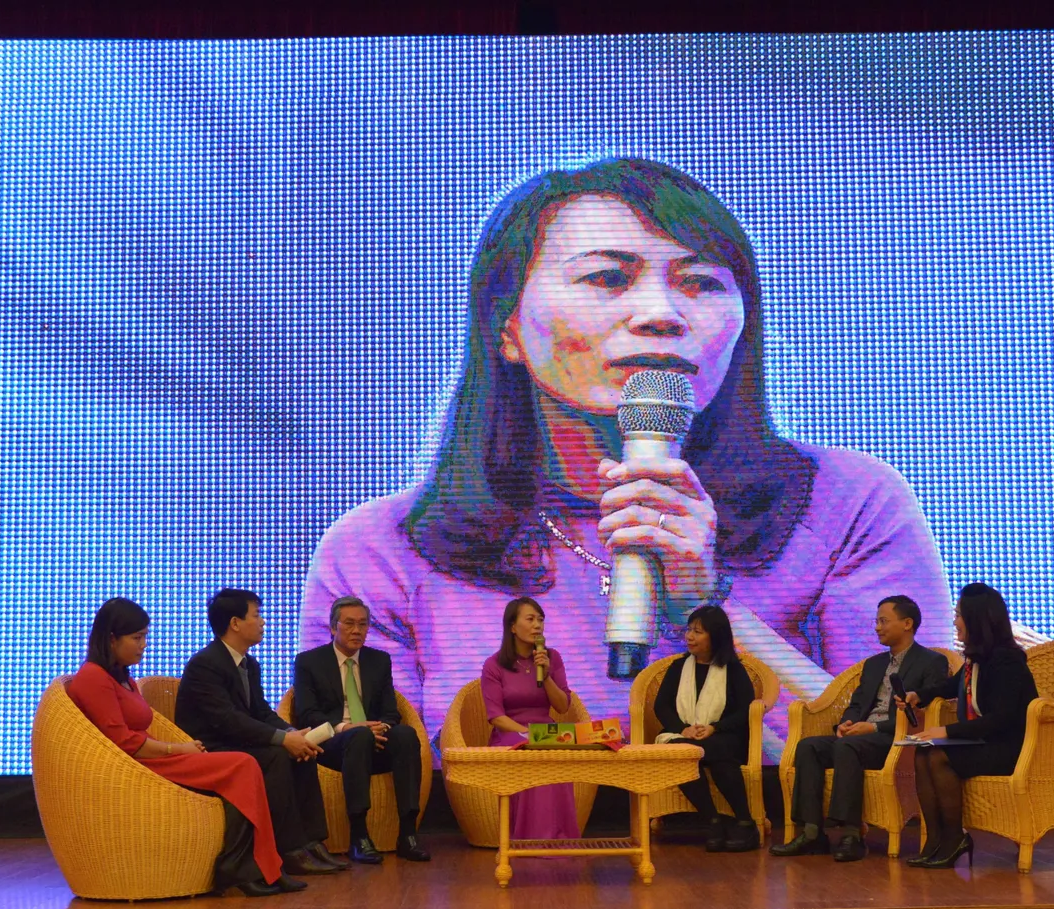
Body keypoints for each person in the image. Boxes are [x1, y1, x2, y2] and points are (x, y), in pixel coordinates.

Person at [301, 158, 955, 758]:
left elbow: (900, 747)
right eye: (607, 277)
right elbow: (381, 767)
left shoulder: (850, 503)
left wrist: (705, 606)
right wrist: (594, 742)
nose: (661, 313)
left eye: (700, 282)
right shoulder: (377, 550)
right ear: (507, 328)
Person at [65, 597, 305, 897]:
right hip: (137, 765)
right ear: (111, 639)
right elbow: (125, 743)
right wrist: (177, 750)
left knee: (245, 767)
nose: (143, 645)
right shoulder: (93, 677)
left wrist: (178, 746)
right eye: (136, 638)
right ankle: (247, 867)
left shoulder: (123, 676)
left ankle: (261, 866)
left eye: (145, 637)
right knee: (243, 764)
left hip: (150, 756)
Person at [174, 588, 346, 876]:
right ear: (235, 623)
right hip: (211, 747)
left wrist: (292, 733)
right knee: (276, 756)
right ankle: (288, 849)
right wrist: (282, 740)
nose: (263, 621)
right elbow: (227, 721)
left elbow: (262, 711)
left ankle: (312, 841)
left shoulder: (249, 663)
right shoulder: (206, 663)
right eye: (256, 615)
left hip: (239, 741)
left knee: (302, 752)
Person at [770, 595, 950, 862]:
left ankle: (851, 835)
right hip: (860, 737)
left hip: (897, 739)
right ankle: (811, 832)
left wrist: (873, 728)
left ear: (907, 623)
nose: (877, 627)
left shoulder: (932, 662)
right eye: (876, 621)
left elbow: (923, 713)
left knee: (848, 746)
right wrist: (847, 722)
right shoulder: (874, 663)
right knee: (809, 746)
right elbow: (857, 703)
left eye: (883, 621)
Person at [900, 582, 1038, 869]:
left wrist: (946, 731)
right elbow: (953, 686)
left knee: (937, 755)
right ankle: (935, 839)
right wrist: (920, 695)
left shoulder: (1007, 661)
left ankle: (954, 838)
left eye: (959, 615)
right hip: (985, 743)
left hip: (1009, 748)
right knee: (924, 753)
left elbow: (1001, 719)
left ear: (977, 619)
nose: (954, 621)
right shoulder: (977, 659)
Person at [292, 596, 429, 864]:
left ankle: (409, 833)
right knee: (358, 736)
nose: (357, 631)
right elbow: (307, 714)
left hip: (372, 739)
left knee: (405, 735)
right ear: (333, 627)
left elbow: (391, 711)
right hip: (331, 743)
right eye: (350, 624)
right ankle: (359, 835)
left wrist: (380, 728)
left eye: (363, 624)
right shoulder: (309, 661)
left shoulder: (379, 661)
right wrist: (349, 727)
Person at [653, 604, 761, 853]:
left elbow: (744, 709)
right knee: (680, 753)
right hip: (687, 736)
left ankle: (745, 823)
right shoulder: (678, 668)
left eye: (698, 632)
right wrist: (683, 729)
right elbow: (662, 707)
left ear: (717, 636)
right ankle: (713, 820)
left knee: (718, 756)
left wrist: (715, 728)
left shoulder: (733, 669)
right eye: (689, 630)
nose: (689, 636)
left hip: (724, 737)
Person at [479, 597, 578, 839]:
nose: (538, 626)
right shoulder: (494, 665)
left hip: (546, 731)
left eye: (541, 620)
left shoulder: (552, 658)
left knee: (557, 754)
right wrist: (527, 734)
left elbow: (563, 706)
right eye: (530, 619)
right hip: (511, 733)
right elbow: (496, 717)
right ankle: (527, 838)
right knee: (529, 755)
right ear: (512, 626)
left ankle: (558, 838)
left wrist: (545, 676)